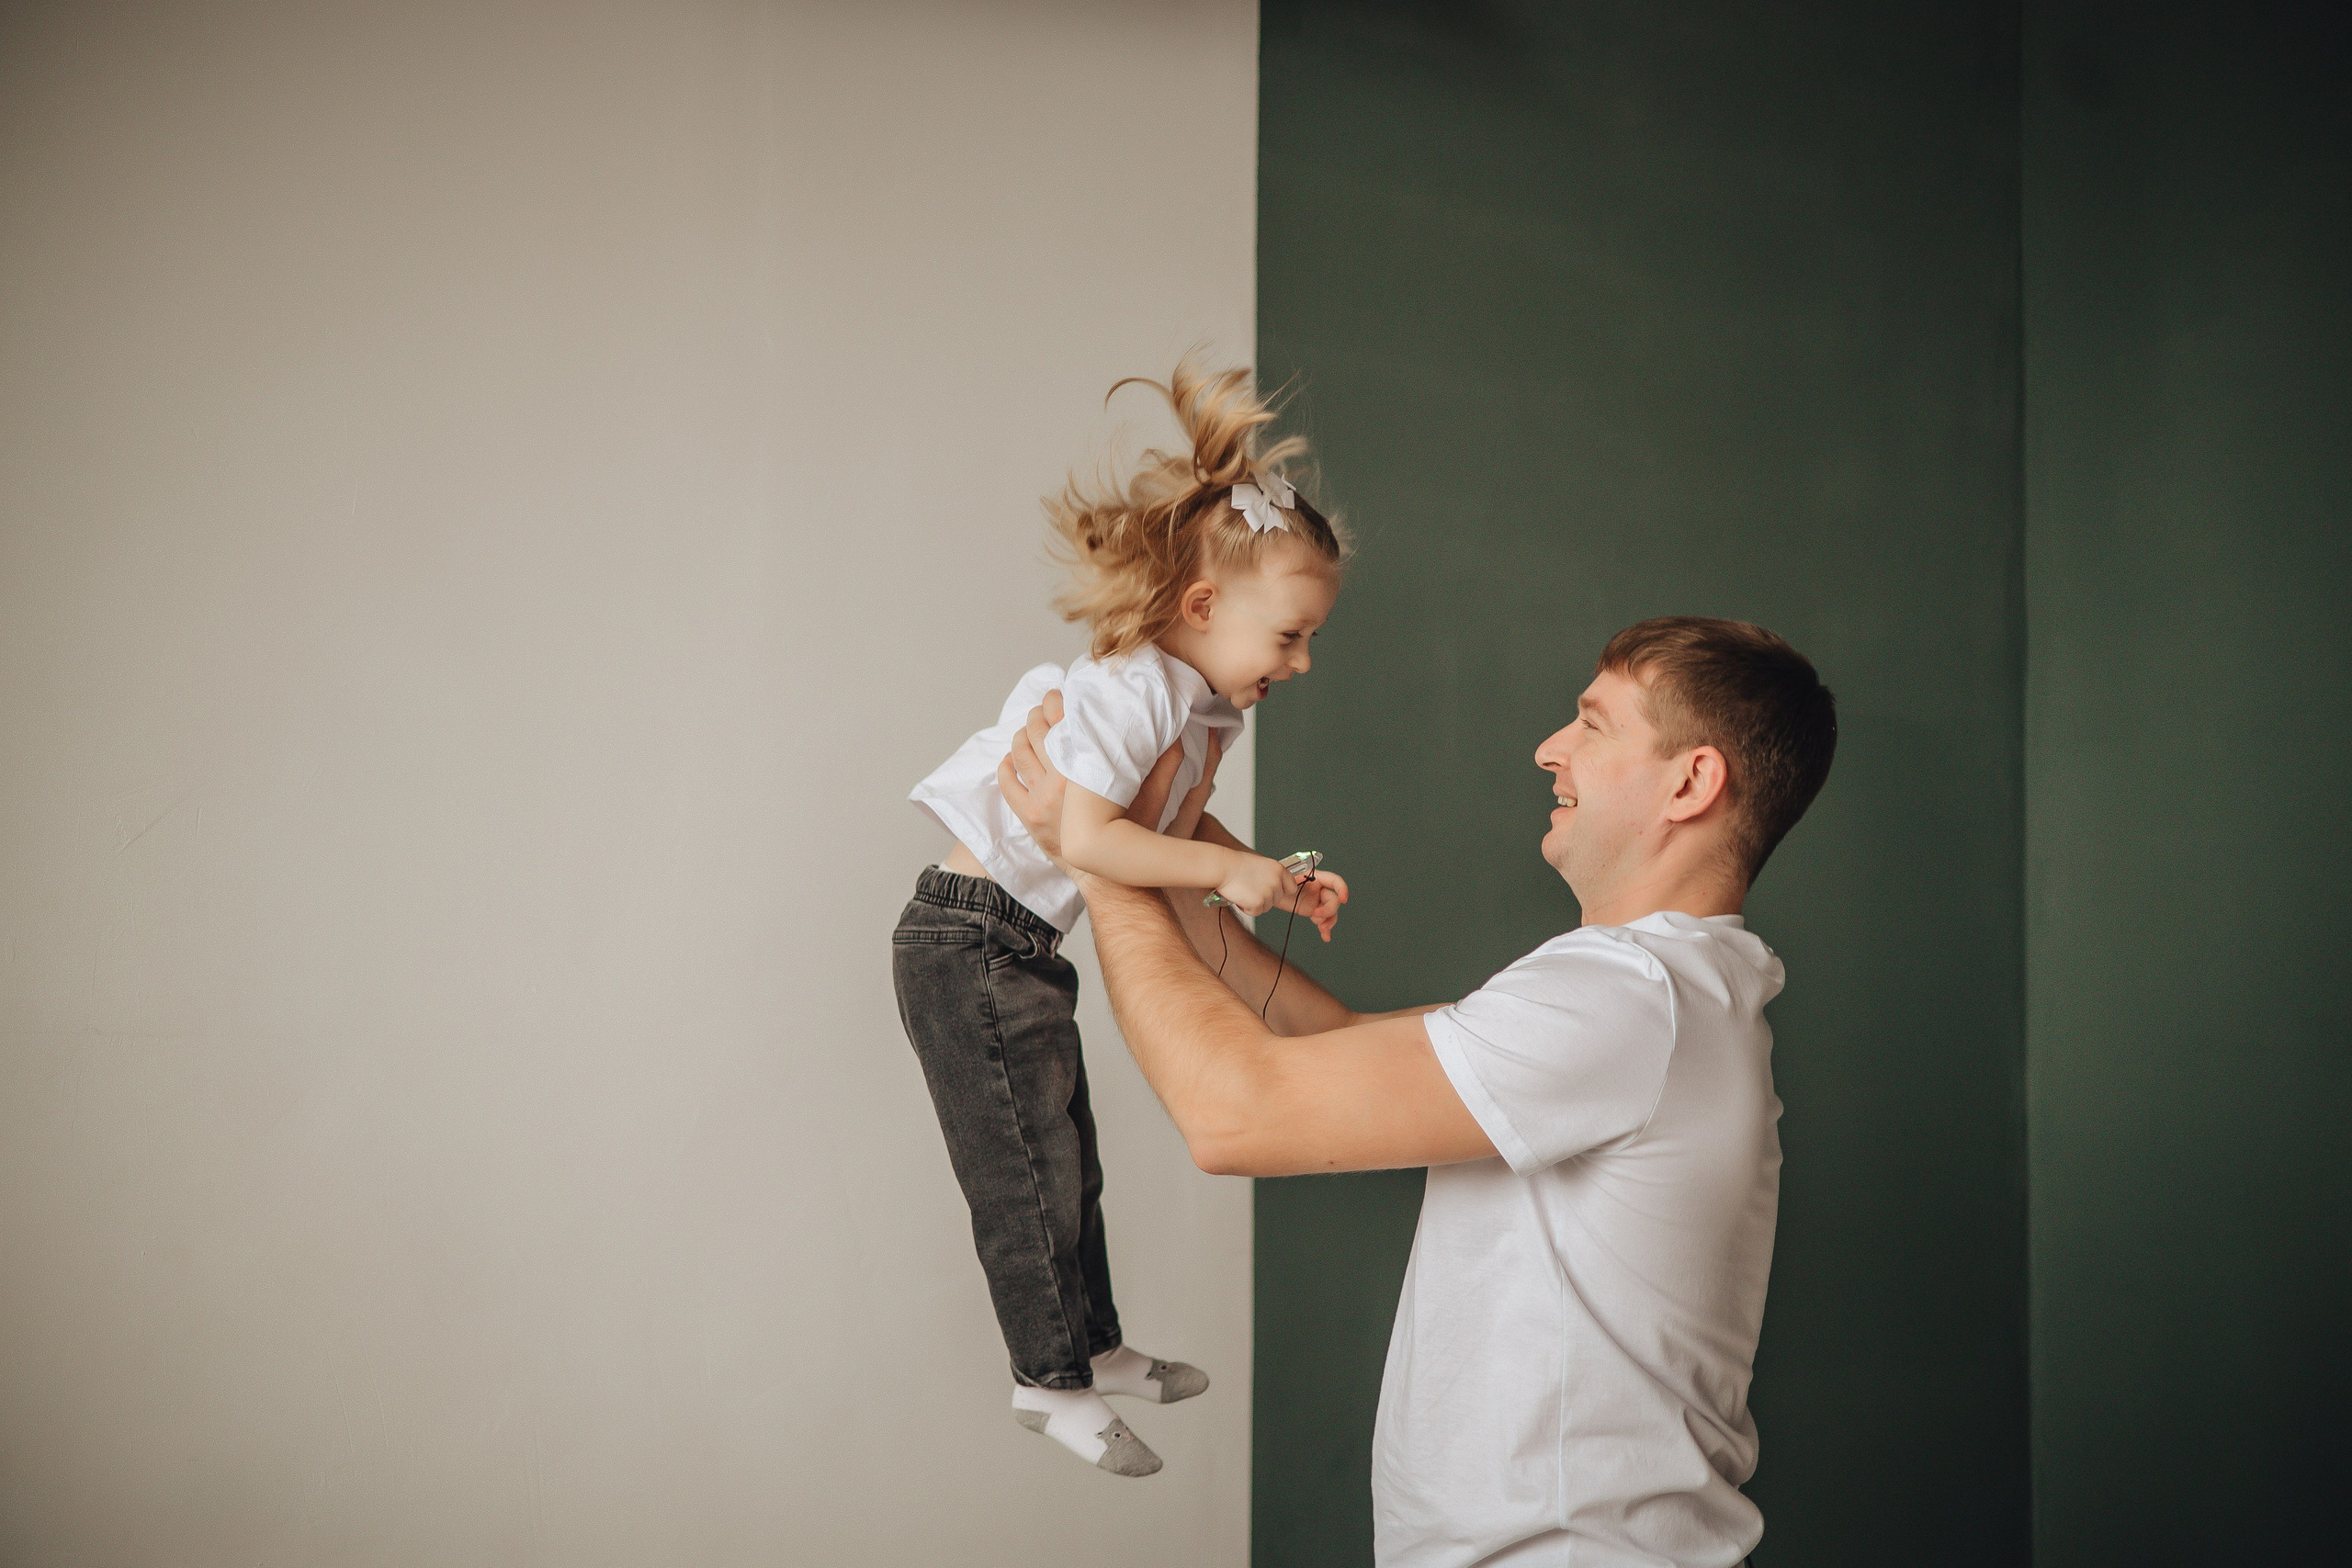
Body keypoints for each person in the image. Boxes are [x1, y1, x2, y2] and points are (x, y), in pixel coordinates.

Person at [999, 616, 1837, 1566]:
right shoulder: (1660, 992)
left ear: (1690, 782)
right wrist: (1165, 859)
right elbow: (1343, 1048)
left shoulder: (1633, 996)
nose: (1548, 749)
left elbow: (1236, 1116)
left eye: (1592, 725)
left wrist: (1098, 865)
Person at [893, 359, 1351, 1477]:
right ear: (1202, 609)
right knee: (1023, 1169)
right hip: (967, 940)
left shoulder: (1202, 710)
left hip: (1017, 946)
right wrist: (1220, 874)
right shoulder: (1132, 687)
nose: (1298, 663)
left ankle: (1091, 1347)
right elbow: (1090, 840)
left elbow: (1182, 831)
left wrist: (1266, 875)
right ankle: (1044, 1381)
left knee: (1071, 1160)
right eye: (1287, 637)